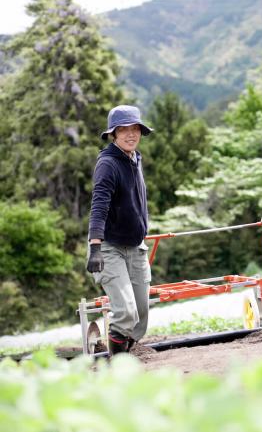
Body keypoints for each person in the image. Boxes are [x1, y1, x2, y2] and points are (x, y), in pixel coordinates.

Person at [86, 105, 154, 356]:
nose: (130, 134)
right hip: (108, 247)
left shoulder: (134, 158)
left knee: (140, 314)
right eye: (123, 129)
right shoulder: (108, 164)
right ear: (113, 134)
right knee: (126, 311)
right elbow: (99, 206)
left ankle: (123, 351)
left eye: (134, 128)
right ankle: (118, 366)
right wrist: (95, 247)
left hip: (135, 246)